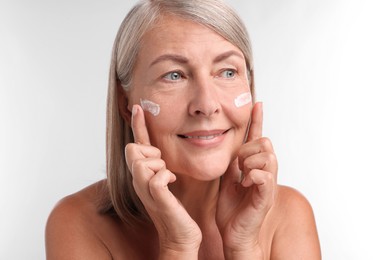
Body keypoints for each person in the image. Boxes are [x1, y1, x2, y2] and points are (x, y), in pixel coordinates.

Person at [45, 0, 321, 259]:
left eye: (227, 72)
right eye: (174, 75)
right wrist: (178, 247)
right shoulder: (78, 221)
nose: (207, 105)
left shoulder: (289, 213)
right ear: (125, 104)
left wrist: (245, 247)